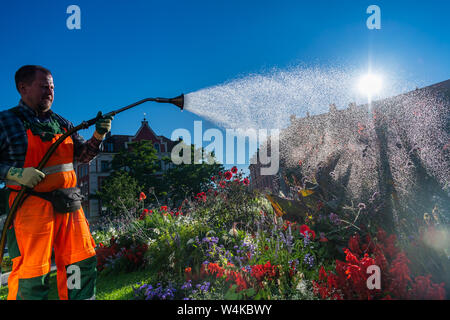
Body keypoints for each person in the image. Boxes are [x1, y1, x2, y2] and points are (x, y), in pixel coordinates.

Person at [0, 65, 113, 300]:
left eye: (51, 87)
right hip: (30, 209)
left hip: (69, 205)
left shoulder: (62, 123)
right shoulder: (7, 121)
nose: (49, 92)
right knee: (32, 274)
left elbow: (82, 155)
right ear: (23, 88)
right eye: (43, 86)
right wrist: (15, 174)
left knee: (80, 262)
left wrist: (98, 136)